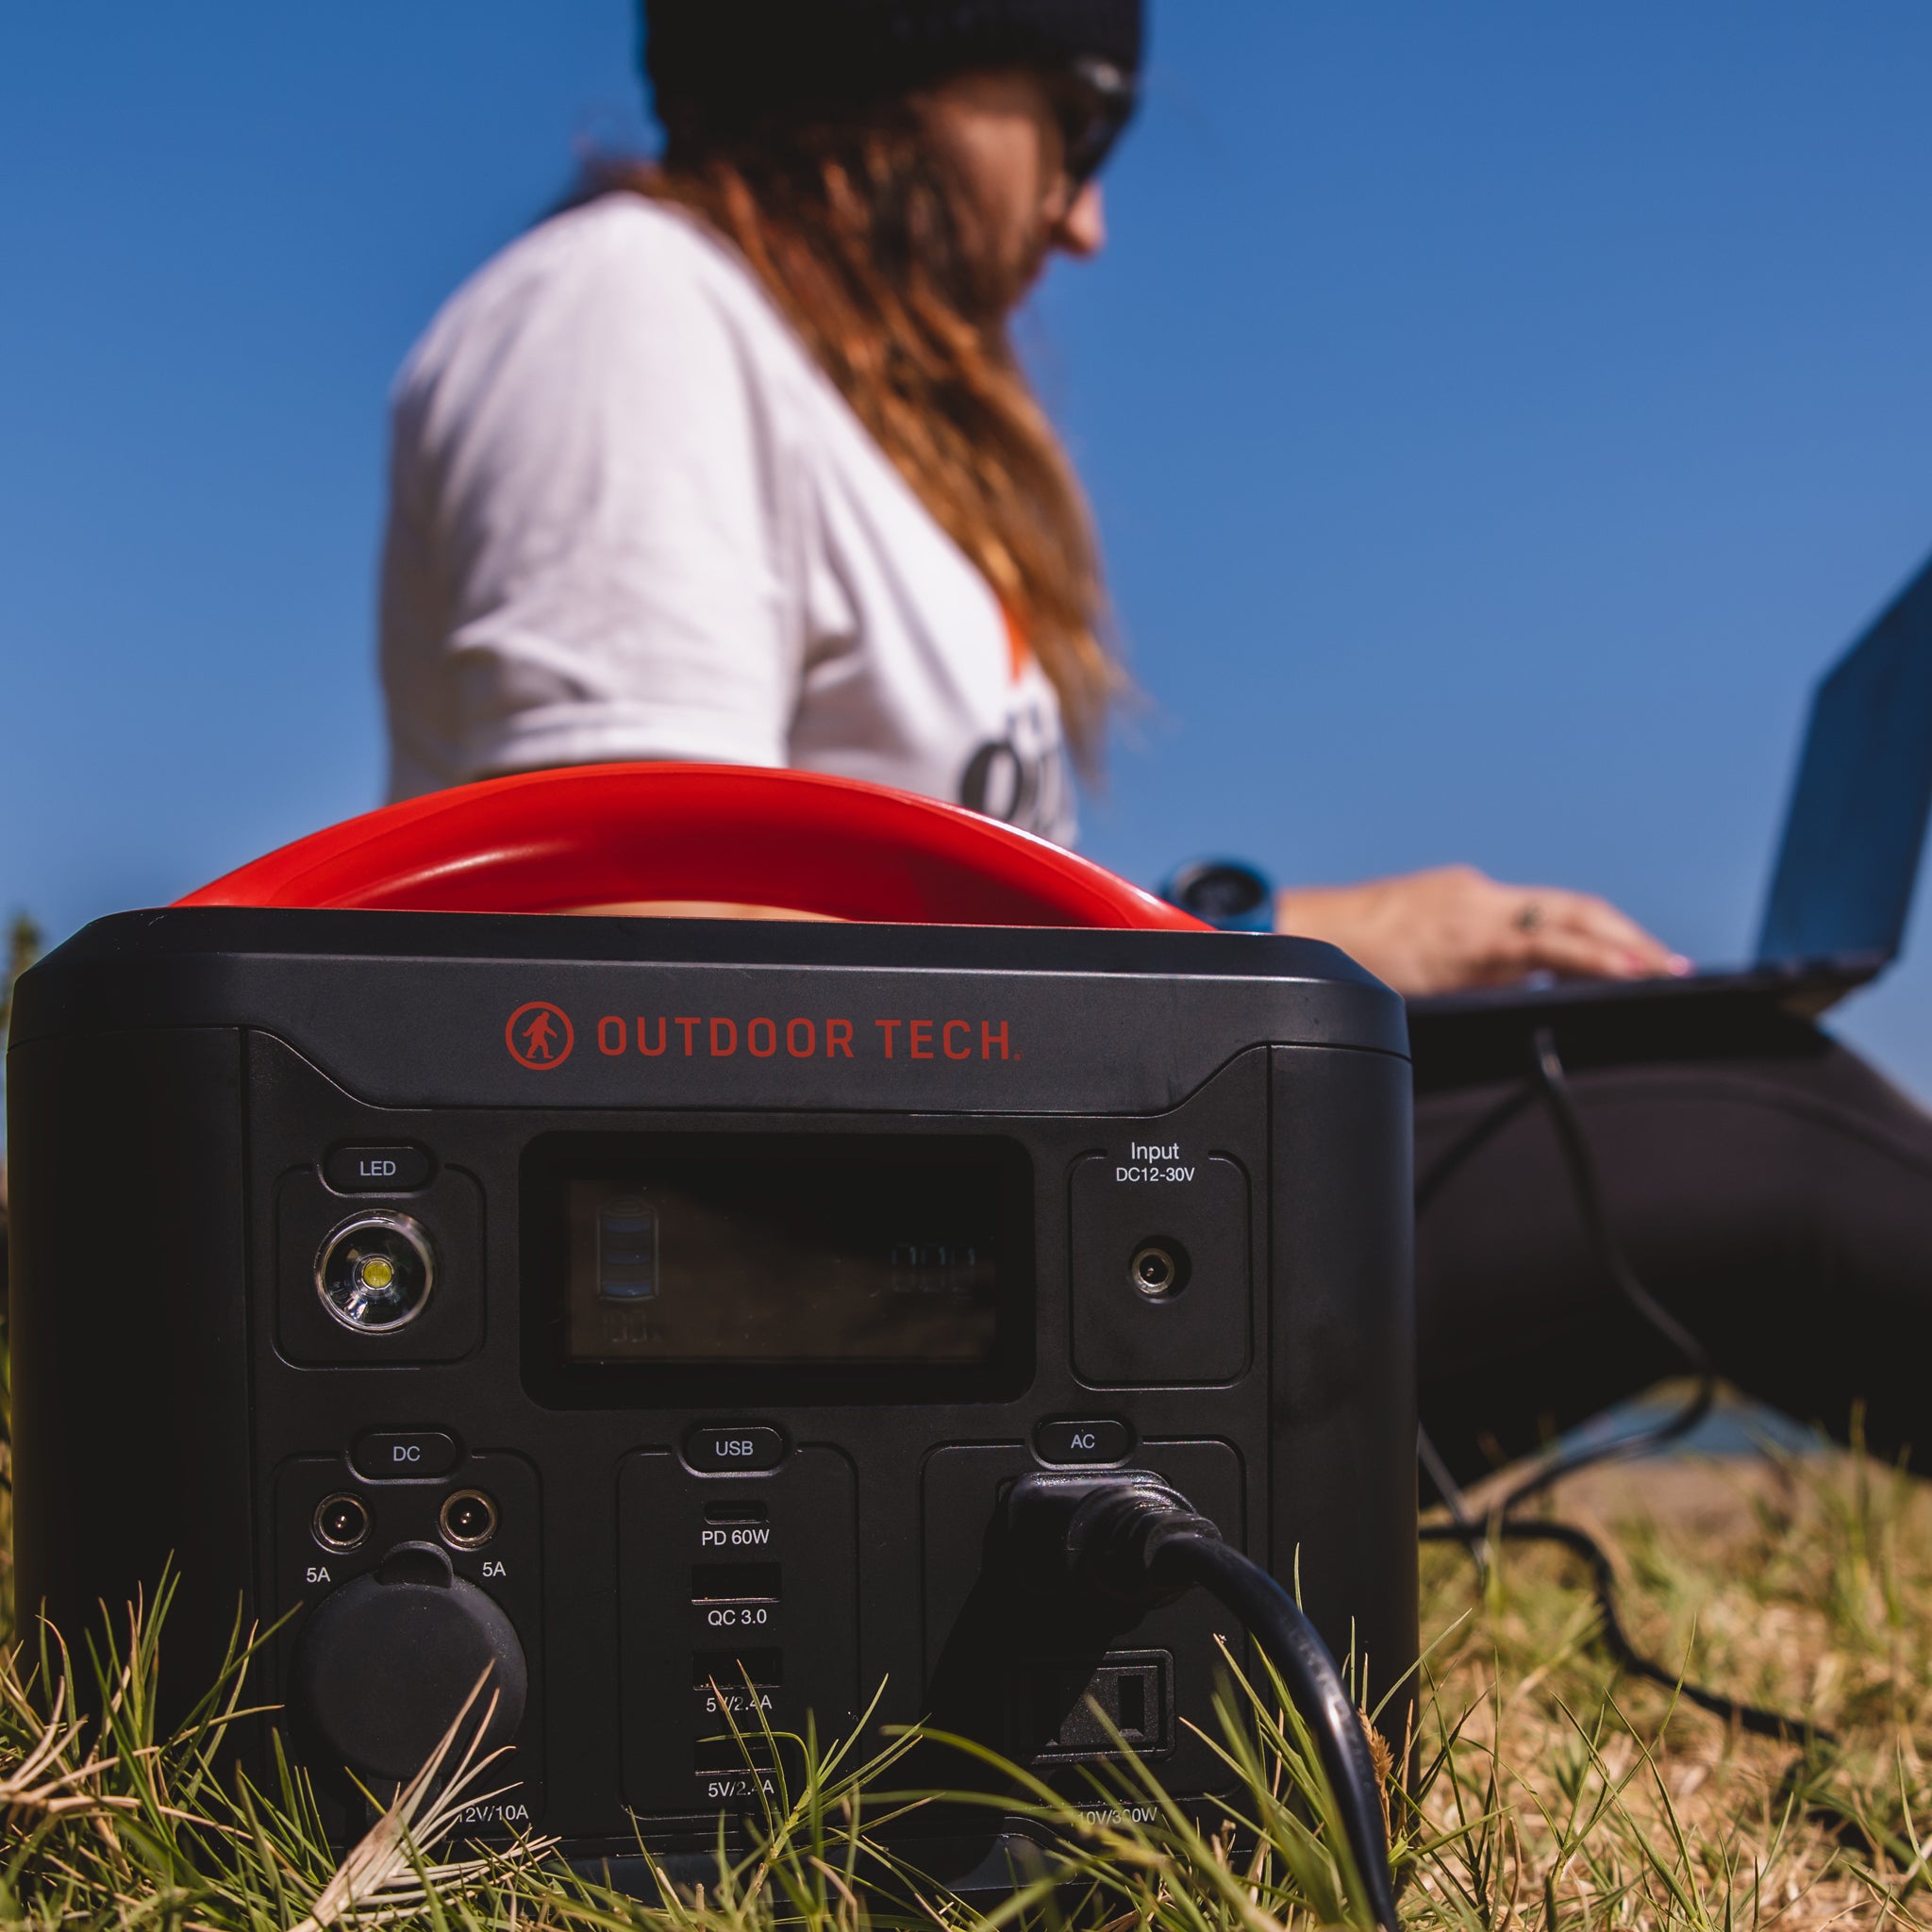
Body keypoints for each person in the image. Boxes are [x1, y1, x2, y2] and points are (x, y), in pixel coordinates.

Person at [379, 0, 1932, 1480]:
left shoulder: (774, 371)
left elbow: (947, 952)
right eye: (1079, 129)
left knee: (1646, 1077)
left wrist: (1305, 943)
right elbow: (638, 995)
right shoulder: (626, 315)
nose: (1084, 224)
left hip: (995, 1229)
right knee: (1755, 1135)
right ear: (893, 61)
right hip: (907, 1293)